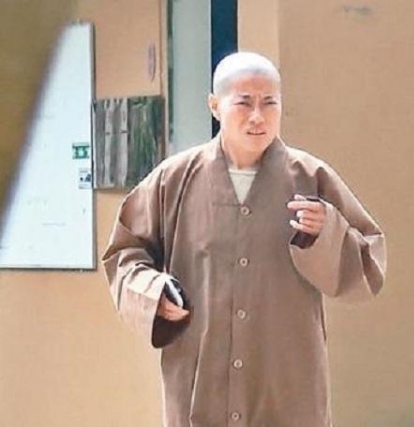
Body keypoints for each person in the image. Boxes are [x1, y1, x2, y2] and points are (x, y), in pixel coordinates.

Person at [102, 51, 387, 427]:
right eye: (244, 103)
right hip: (199, 385)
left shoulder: (310, 177)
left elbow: (369, 264)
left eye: (270, 103)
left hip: (286, 389)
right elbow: (125, 252)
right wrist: (153, 292)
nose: (258, 116)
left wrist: (328, 232)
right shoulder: (173, 180)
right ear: (215, 106)